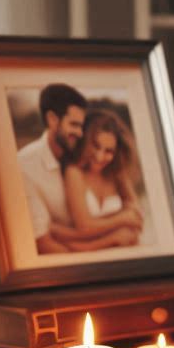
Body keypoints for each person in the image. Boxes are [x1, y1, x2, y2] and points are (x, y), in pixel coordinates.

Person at [16, 83, 87, 255]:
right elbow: (42, 243)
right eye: (74, 125)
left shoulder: (83, 152)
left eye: (81, 126)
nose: (80, 133)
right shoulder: (25, 166)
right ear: (52, 119)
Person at [61, 109, 144, 252]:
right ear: (85, 141)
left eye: (109, 151)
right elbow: (84, 226)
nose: (100, 157)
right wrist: (118, 227)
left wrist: (88, 234)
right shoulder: (74, 172)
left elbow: (137, 219)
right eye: (96, 145)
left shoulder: (117, 173)